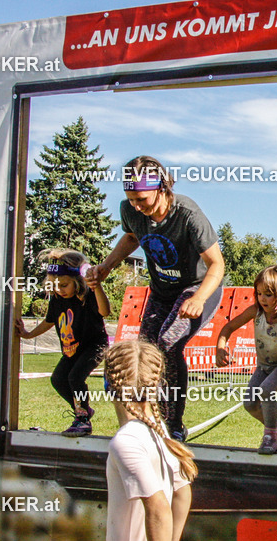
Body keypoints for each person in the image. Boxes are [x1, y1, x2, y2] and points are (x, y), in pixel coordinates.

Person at [87, 156, 225, 442]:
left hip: (198, 288)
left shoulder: (187, 213)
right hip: (162, 293)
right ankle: (144, 417)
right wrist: (106, 267)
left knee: (168, 343)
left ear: (162, 188)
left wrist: (199, 298)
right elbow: (131, 237)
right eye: (132, 200)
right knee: (144, 353)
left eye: (143, 200)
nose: (138, 207)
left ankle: (174, 424)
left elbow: (217, 264)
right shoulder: (131, 209)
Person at [104, 340, 195, 541]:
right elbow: (182, 493)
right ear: (157, 385)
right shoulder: (158, 430)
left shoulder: (126, 440)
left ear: (109, 384)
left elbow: (157, 506)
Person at [15, 249, 110, 437]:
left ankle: (82, 420)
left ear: (78, 281)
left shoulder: (87, 295)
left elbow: (105, 311)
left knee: (75, 377)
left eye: (64, 285)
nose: (59, 289)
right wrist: (28, 334)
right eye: (55, 285)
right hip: (71, 350)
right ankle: (83, 410)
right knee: (58, 379)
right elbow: (49, 321)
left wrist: (97, 287)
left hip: (94, 346)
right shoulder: (57, 299)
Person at [215, 265, 277, 454]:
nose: (262, 299)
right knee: (249, 404)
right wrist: (220, 346)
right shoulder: (255, 312)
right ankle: (275, 426)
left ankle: (270, 438)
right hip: (263, 366)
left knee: (266, 390)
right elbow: (228, 328)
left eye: (268, 294)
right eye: (259, 293)